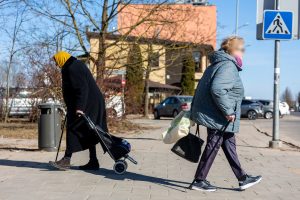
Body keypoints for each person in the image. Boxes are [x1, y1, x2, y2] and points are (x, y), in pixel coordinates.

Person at [190, 36, 262, 192]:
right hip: (219, 115)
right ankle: (199, 180)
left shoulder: (218, 64)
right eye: (242, 49)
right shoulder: (228, 66)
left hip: (217, 114)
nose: (243, 53)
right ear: (233, 50)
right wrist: (228, 111)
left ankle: (242, 178)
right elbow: (217, 89)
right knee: (213, 145)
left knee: (229, 145)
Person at [51, 51, 108, 170]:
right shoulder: (72, 65)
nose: (56, 65)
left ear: (61, 58)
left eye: (56, 61)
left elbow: (82, 88)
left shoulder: (73, 67)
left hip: (88, 103)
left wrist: (80, 108)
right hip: (89, 102)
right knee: (89, 130)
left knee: (73, 128)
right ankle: (93, 161)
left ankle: (67, 159)